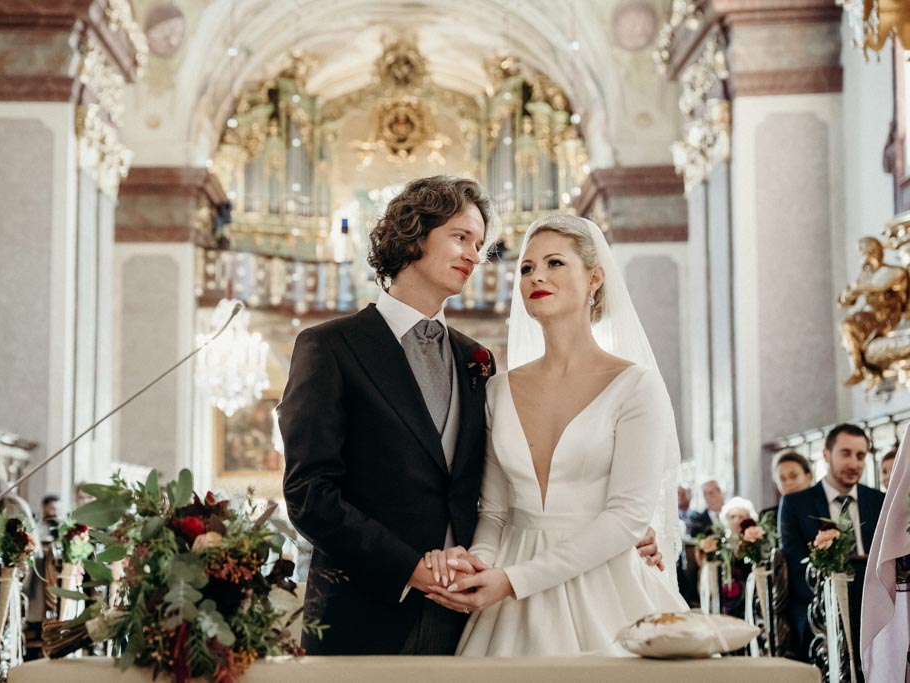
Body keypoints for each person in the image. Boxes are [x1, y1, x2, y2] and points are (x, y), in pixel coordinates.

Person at [280, 179, 662, 656]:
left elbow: (491, 491)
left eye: (480, 245)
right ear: (413, 234)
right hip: (363, 605)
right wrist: (410, 569)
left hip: (465, 610)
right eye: (461, 237)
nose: (474, 254)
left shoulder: (475, 360)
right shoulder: (329, 347)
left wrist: (620, 531)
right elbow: (309, 493)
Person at [422, 214, 686, 656]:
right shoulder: (499, 389)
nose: (536, 276)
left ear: (594, 278)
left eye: (555, 263)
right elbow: (495, 512)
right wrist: (479, 567)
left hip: (604, 590)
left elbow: (626, 517)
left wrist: (513, 581)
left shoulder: (636, 386)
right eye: (526, 268)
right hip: (506, 604)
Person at [779, 423, 885, 662]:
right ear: (826, 455)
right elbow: (796, 567)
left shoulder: (878, 501)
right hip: (817, 603)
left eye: (860, 456)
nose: (855, 463)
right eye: (846, 453)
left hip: (873, 602)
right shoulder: (796, 504)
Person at [761, 451, 813, 521]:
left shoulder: (824, 508)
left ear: (809, 477)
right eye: (782, 479)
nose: (788, 483)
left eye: (794, 476)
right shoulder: (768, 517)